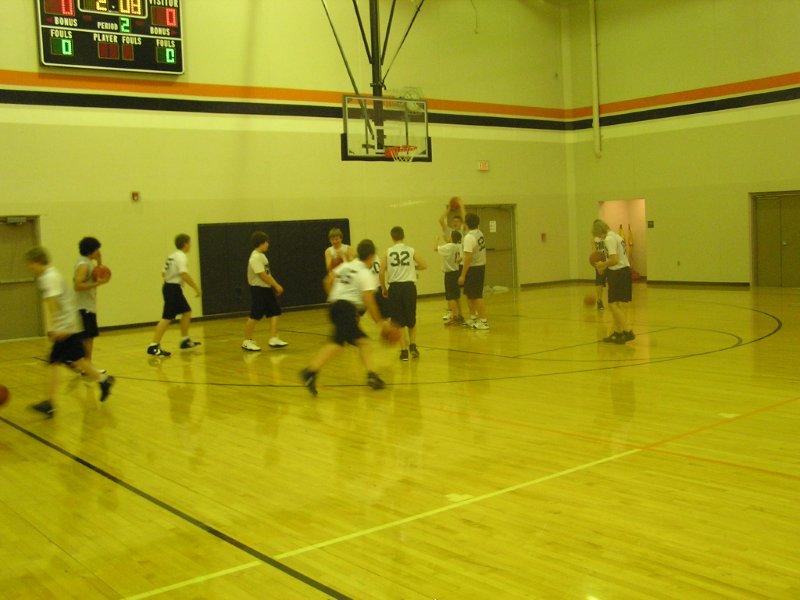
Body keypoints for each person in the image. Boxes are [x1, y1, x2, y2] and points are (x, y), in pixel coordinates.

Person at [24, 247, 114, 417]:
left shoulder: (49, 277)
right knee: (76, 360)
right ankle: (103, 381)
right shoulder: (47, 276)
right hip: (69, 324)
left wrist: (57, 328)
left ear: (37, 261)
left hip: (66, 326)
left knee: (54, 362)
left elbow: (53, 305)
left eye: (30, 264)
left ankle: (50, 403)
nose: (29, 267)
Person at [300, 239, 391, 396]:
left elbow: (327, 281)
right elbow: (369, 300)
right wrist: (380, 322)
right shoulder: (365, 273)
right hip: (346, 309)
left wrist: (335, 298)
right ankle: (310, 371)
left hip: (335, 307)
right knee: (337, 344)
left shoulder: (346, 265)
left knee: (364, 343)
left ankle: (372, 376)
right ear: (371, 256)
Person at [146, 234, 202, 357]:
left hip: (170, 287)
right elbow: (184, 274)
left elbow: (163, 273)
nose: (190, 245)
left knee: (186, 311)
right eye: (189, 243)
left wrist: (172, 278)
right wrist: (196, 288)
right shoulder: (181, 256)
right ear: (185, 244)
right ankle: (153, 346)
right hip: (173, 289)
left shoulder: (172, 256)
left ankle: (185, 340)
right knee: (167, 317)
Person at [380, 226, 427, 361]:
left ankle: (403, 351)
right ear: (403, 236)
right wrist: (413, 267)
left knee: (397, 320)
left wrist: (383, 288)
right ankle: (413, 346)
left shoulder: (388, 252)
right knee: (411, 318)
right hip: (409, 288)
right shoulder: (411, 250)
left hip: (395, 288)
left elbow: (381, 272)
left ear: (392, 237)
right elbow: (424, 265)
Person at [242, 231, 287, 351]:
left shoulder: (262, 256)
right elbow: (262, 275)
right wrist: (276, 285)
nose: (268, 244)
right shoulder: (255, 257)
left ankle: (273, 338)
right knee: (255, 315)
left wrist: (275, 285)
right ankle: (247, 341)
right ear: (261, 243)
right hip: (258, 289)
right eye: (266, 242)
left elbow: (268, 274)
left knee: (275, 312)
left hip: (266, 289)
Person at [592, 219, 635, 343]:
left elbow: (614, 260)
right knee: (616, 304)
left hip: (618, 273)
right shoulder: (616, 236)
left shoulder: (609, 239)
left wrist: (602, 264)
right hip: (623, 272)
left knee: (612, 305)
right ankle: (617, 333)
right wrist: (604, 267)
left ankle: (627, 331)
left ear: (599, 232)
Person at [73, 236, 110, 364]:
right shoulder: (83, 265)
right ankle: (87, 365)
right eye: (97, 249)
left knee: (88, 337)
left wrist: (99, 261)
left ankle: (86, 365)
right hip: (84, 307)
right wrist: (98, 284)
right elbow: (77, 286)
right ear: (91, 250)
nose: (99, 252)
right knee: (87, 338)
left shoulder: (88, 262)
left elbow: (99, 273)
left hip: (88, 306)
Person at [458, 212, 489, 330]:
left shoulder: (469, 237)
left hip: (474, 268)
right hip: (478, 267)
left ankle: (483, 321)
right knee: (470, 294)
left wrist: (462, 275)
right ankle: (473, 318)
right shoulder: (479, 232)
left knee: (476, 296)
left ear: (466, 223)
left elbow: (468, 258)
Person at [437, 197, 465, 320]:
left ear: (461, 223)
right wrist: (449, 209)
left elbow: (465, 218)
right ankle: (452, 312)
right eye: (453, 221)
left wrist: (461, 207)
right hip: (454, 264)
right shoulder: (450, 232)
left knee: (455, 293)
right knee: (452, 293)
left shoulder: (464, 232)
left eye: (457, 221)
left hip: (461, 264)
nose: (455, 223)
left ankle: (457, 314)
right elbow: (440, 220)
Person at [436, 229, 464, 325]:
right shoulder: (457, 246)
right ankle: (460, 315)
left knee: (450, 297)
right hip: (456, 272)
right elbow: (459, 259)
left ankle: (455, 317)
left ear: (451, 237)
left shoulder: (448, 247)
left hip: (450, 275)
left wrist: (437, 240)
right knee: (457, 296)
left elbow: (436, 248)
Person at [592, 235, 608, 310]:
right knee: (600, 282)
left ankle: (615, 301)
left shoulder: (609, 237)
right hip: (600, 262)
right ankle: (599, 301)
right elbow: (593, 253)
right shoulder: (595, 239)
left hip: (610, 260)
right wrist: (597, 264)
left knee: (613, 281)